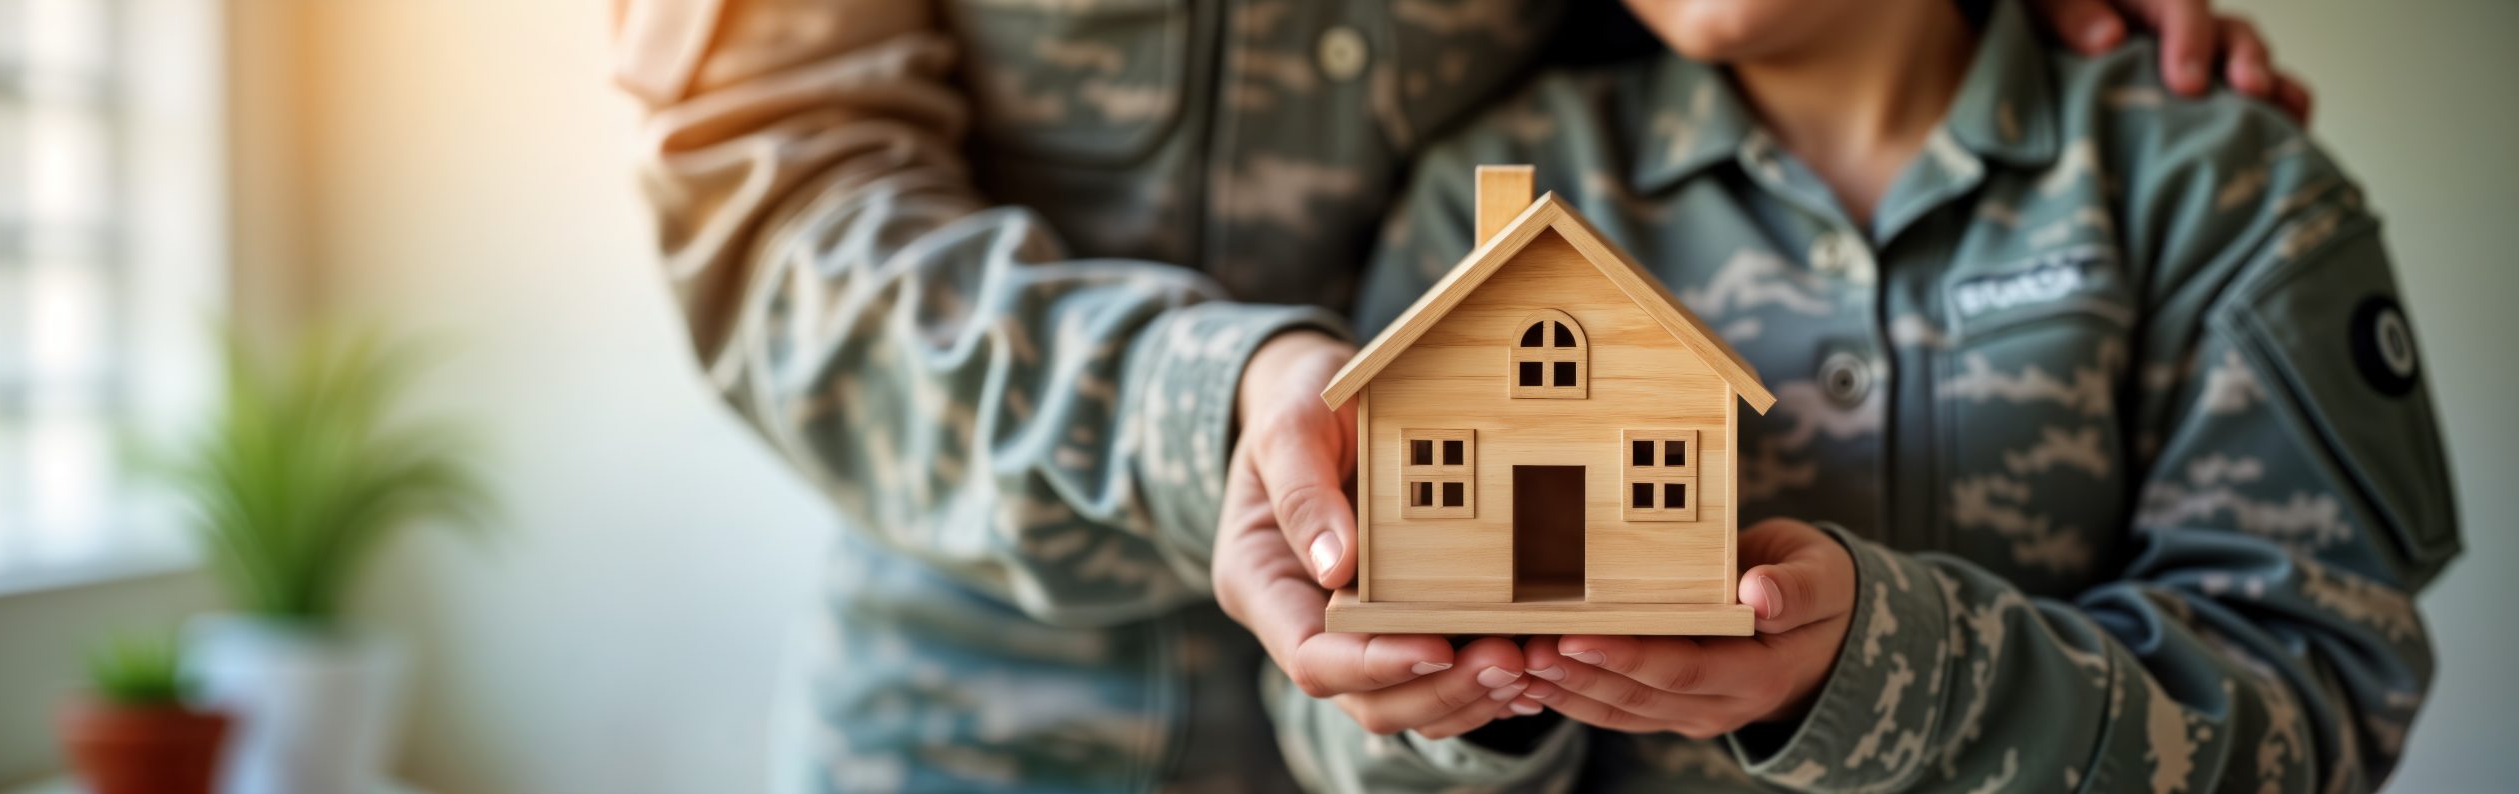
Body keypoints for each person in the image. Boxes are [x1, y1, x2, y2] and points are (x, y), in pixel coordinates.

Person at [611, 0, 2316, 788]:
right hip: (988, 713)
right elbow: (779, 219)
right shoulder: (1500, 185)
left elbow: (2302, 666)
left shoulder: (2184, 189)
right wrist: (1239, 403)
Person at [1226, 0, 2455, 790]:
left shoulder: (2213, 181)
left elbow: (2320, 709)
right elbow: (1337, 724)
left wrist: (1897, 667)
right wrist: (1465, 706)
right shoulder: (1485, 191)